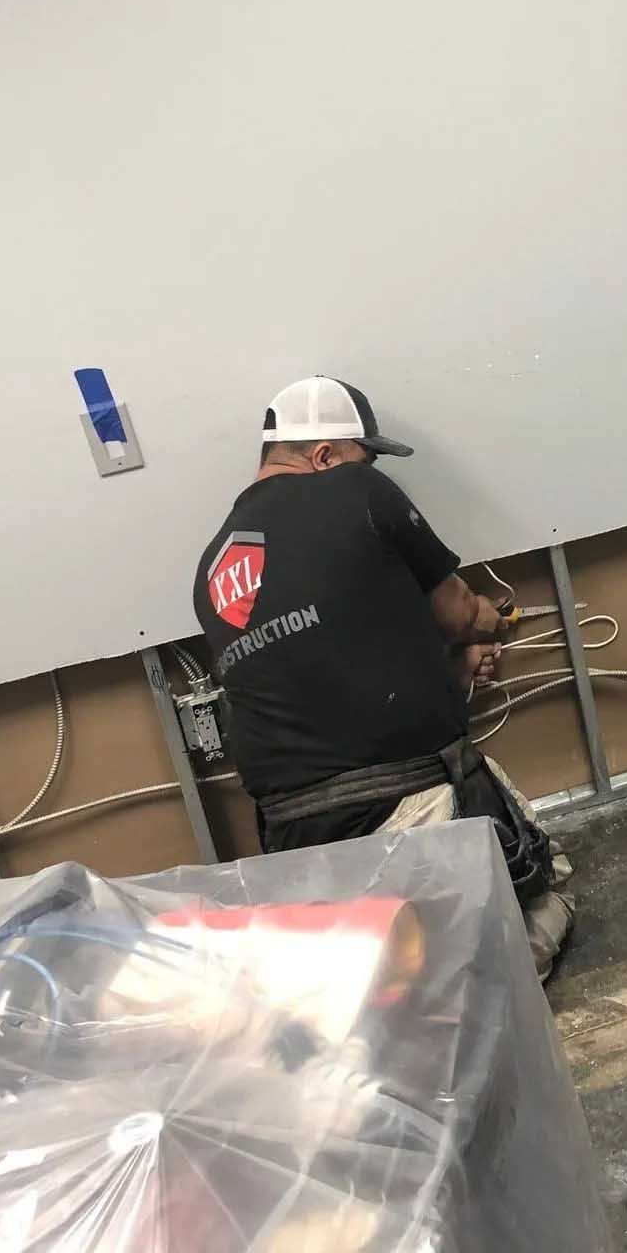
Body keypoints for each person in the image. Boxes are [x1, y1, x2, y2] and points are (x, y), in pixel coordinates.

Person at [192, 375, 573, 978]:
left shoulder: (213, 569)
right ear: (325, 457)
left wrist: (451, 672)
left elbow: (333, 695)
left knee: (377, 962)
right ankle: (470, 970)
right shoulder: (356, 490)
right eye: (361, 456)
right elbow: (455, 612)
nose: (367, 468)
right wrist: (486, 625)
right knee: (549, 887)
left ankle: (379, 959)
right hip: (403, 812)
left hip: (293, 850)